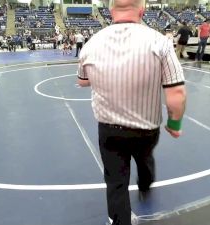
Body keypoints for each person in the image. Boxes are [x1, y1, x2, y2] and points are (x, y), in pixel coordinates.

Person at [77, 0, 187, 223]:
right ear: (142, 10)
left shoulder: (91, 44)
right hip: (146, 128)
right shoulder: (160, 42)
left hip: (110, 130)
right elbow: (176, 92)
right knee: (145, 158)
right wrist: (174, 124)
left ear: (110, 10)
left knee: (116, 182)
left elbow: (83, 81)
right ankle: (145, 184)